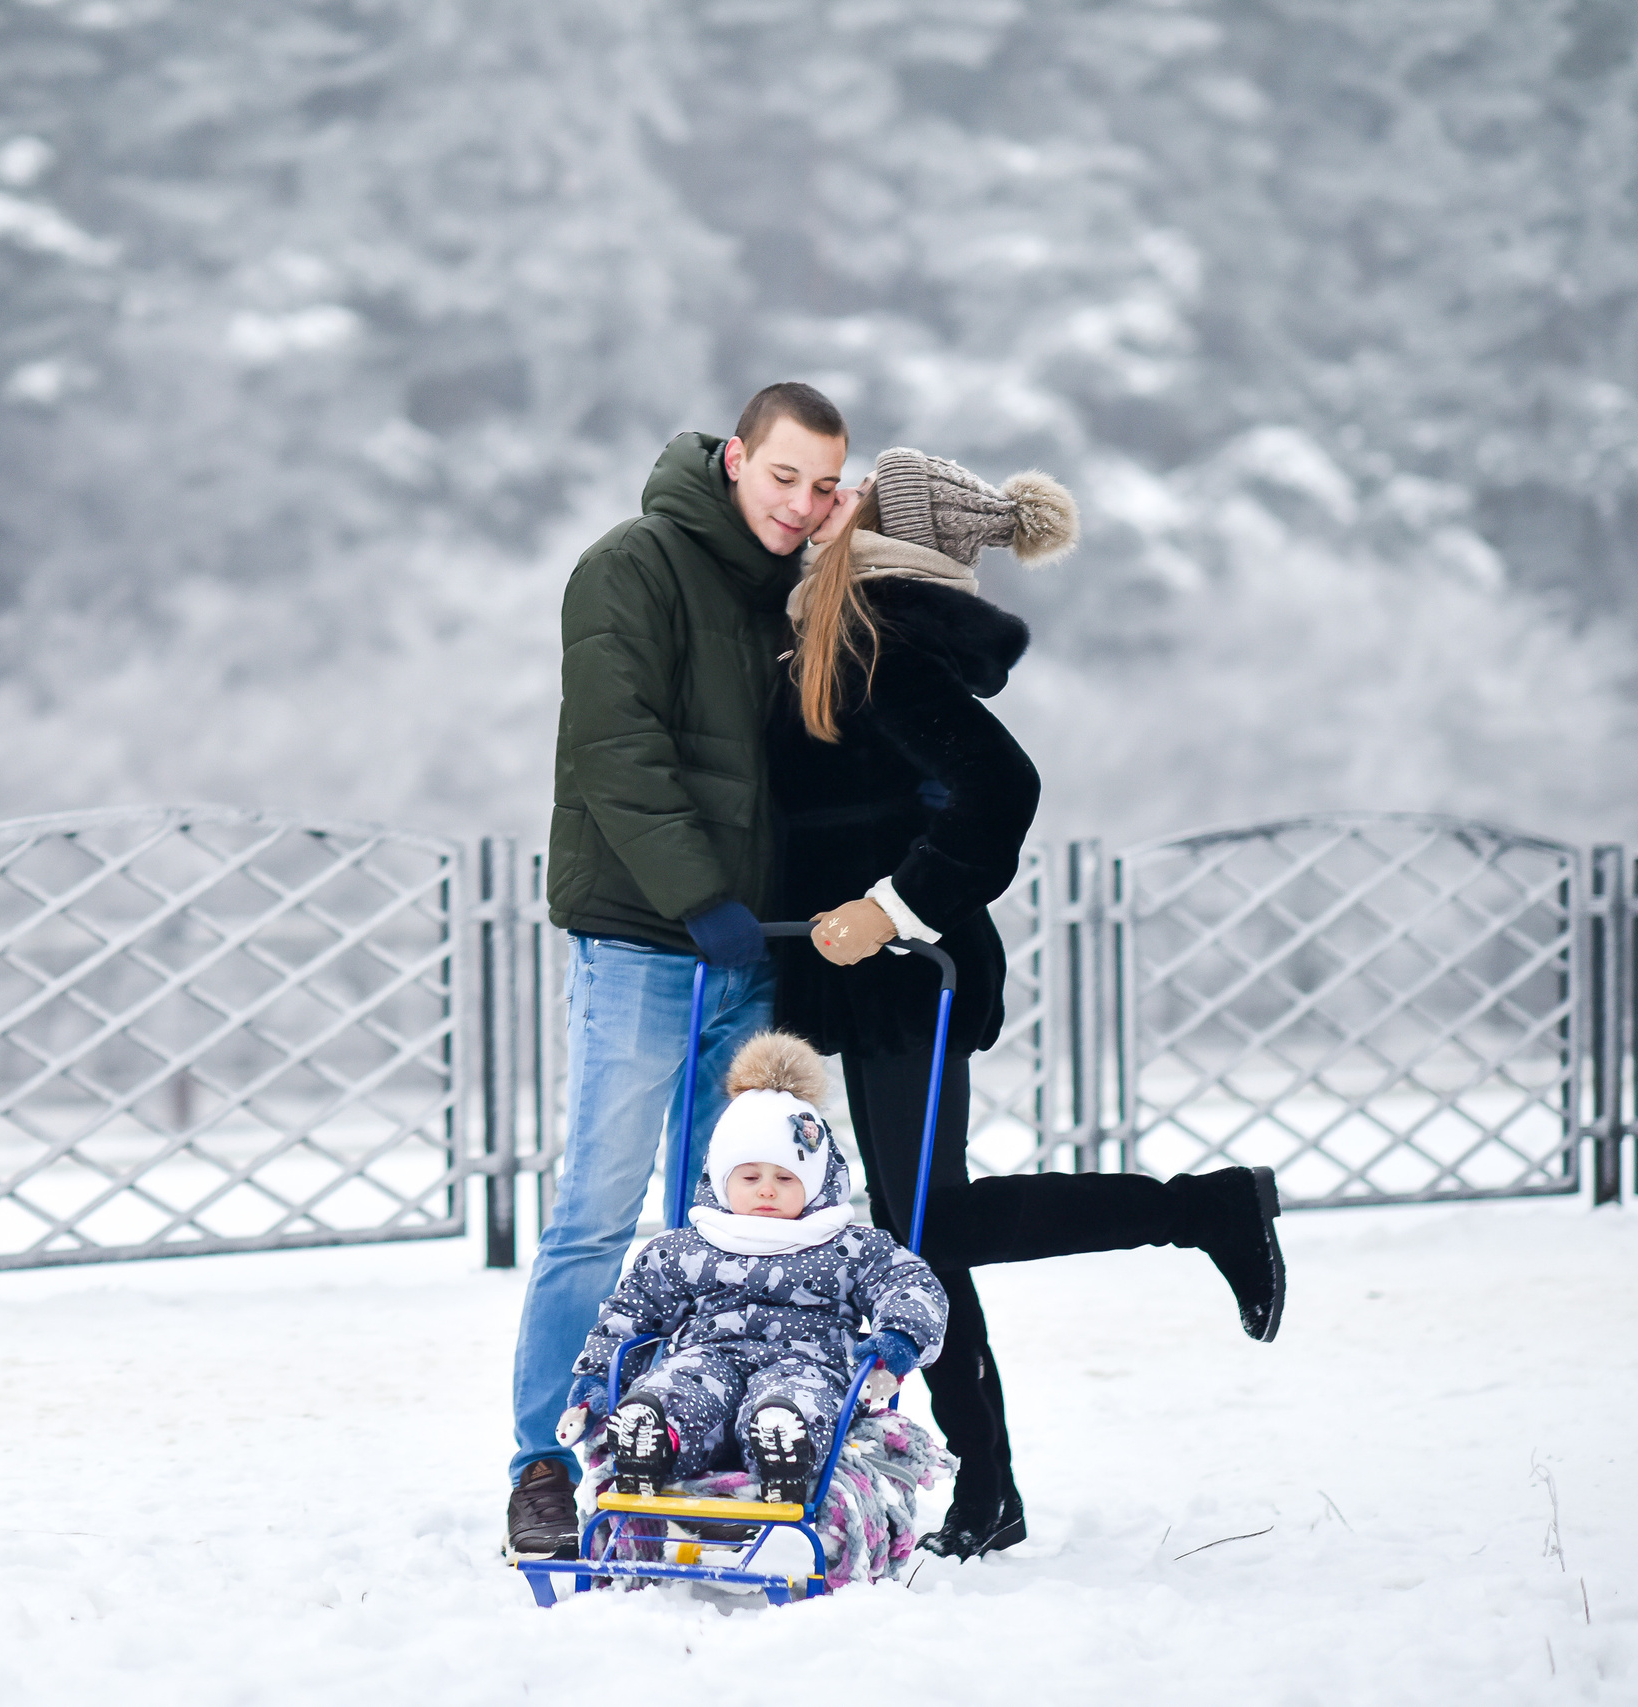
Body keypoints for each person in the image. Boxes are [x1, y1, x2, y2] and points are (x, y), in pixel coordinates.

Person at [771, 446, 1288, 1561]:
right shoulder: (836, 632)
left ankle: (1204, 1210)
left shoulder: (877, 639)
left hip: (903, 971)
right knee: (920, 1233)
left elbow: (999, 789)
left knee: (921, 1229)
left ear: (883, 531)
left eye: (845, 496)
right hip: (848, 972)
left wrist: (895, 907)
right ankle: (985, 1495)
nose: (823, 507)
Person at [503, 382, 850, 1562]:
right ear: (736, 458)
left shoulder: (788, 589)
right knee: (597, 1216)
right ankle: (545, 1462)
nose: (799, 505)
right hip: (646, 937)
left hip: (745, 948)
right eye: (782, 478)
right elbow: (615, 744)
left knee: (719, 1221)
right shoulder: (632, 565)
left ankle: (673, 1439)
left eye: (821, 487)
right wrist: (697, 897)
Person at [554, 1032, 948, 1506]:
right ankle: (654, 1438)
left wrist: (900, 1336)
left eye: (785, 1178)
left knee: (797, 1396)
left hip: (809, 1361)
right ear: (722, 1179)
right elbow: (629, 1314)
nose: (766, 1190)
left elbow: (908, 1283)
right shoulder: (684, 1249)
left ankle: (782, 1448)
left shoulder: (848, 1246)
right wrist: (598, 1378)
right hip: (708, 1356)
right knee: (678, 1383)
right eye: (749, 1177)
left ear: (817, 1183)